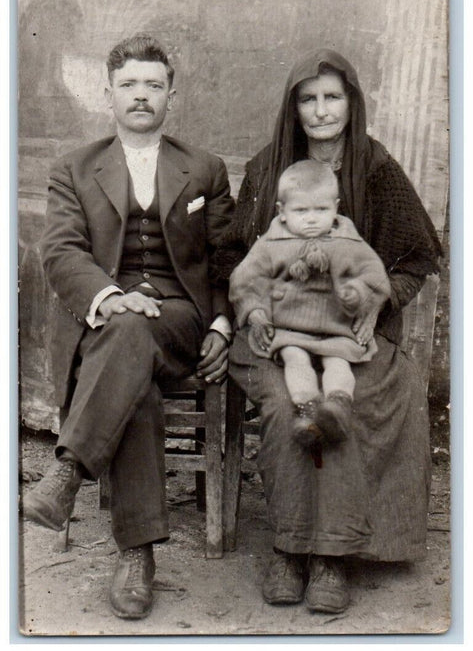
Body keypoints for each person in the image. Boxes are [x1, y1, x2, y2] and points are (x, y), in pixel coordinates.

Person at [215, 49, 442, 614]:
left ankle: (331, 556)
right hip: (276, 332)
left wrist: (374, 304)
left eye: (332, 97)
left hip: (350, 329)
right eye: (308, 98)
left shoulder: (377, 168)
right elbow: (235, 259)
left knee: (363, 397)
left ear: (352, 103)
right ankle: (291, 547)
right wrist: (253, 314)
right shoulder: (271, 168)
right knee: (286, 402)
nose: (321, 111)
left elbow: (414, 261)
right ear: (293, 107)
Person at [22, 33, 234, 620]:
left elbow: (226, 257)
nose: (141, 96)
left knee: (136, 335)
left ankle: (66, 475)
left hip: (181, 319)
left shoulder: (206, 168)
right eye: (128, 85)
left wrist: (222, 322)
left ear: (172, 95)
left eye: (153, 85)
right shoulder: (74, 168)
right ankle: (137, 558)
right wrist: (109, 297)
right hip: (111, 321)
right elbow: (62, 251)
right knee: (128, 350)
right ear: (107, 94)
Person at [229, 159, 390, 447]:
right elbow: (244, 280)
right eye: (301, 211)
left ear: (336, 208)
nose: (312, 219)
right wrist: (254, 312)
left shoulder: (348, 240)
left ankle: (337, 406)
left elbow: (375, 276)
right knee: (295, 357)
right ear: (282, 212)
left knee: (338, 362)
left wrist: (361, 294)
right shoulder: (271, 242)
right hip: (289, 327)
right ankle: (308, 408)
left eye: (321, 210)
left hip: (337, 326)